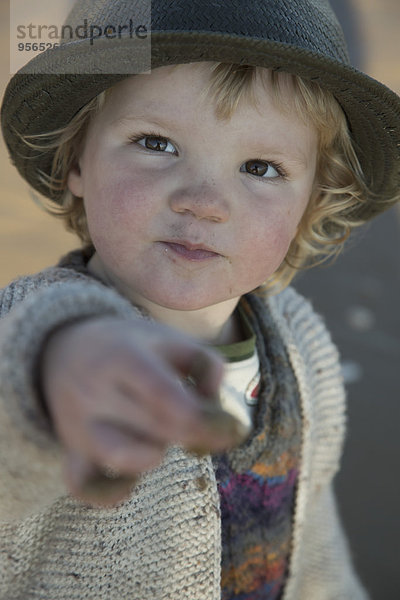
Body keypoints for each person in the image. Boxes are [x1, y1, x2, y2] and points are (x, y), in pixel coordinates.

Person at [0, 1, 399, 598]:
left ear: (313, 199)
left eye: (260, 167)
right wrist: (55, 370)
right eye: (157, 143)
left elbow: (312, 549)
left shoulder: (301, 344)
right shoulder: (38, 331)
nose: (204, 201)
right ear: (77, 158)